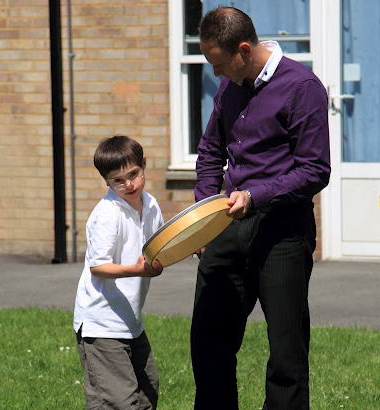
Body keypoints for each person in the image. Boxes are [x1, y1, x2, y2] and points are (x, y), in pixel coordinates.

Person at [191, 7, 331, 410]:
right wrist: (204, 212)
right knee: (208, 344)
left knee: (286, 356)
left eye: (219, 65)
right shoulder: (231, 85)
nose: (216, 75)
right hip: (226, 226)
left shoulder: (302, 87)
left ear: (245, 49)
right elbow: (210, 150)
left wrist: (256, 196)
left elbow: (314, 170)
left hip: (282, 233)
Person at [73, 135, 164, 410]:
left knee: (148, 390)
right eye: (118, 180)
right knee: (119, 402)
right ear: (107, 182)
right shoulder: (108, 214)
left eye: (134, 174)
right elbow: (98, 266)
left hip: (130, 320)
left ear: (143, 165)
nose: (129, 184)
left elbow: (160, 245)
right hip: (101, 323)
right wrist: (138, 269)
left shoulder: (150, 205)